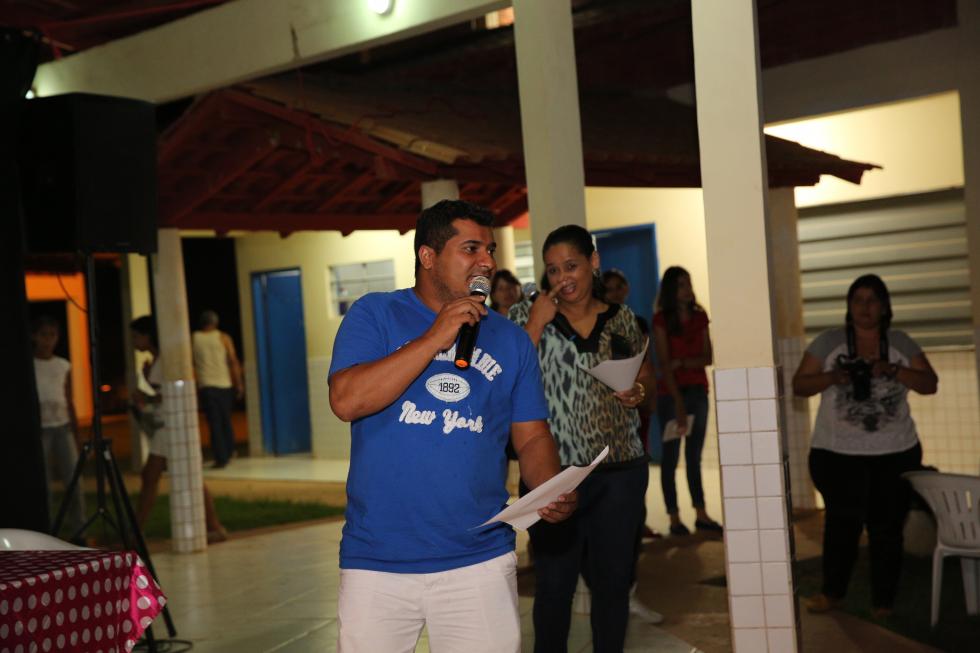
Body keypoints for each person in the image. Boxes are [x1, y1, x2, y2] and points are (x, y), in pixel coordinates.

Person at [327, 199, 576, 653]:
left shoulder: (511, 340)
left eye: (490, 250)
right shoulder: (375, 314)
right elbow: (346, 400)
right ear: (428, 256)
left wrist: (548, 489)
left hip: (479, 560)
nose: (487, 262)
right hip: (377, 560)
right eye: (471, 249)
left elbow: (532, 437)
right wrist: (434, 337)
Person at [510, 225, 655, 653]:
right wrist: (535, 324)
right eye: (553, 270)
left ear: (593, 262)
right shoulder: (523, 316)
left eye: (571, 266)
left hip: (620, 472)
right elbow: (503, 379)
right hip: (553, 475)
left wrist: (638, 392)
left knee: (612, 584)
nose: (562, 278)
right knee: (554, 586)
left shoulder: (622, 318)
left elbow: (645, 377)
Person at [792, 274, 937, 618]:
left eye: (872, 300)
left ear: (884, 306)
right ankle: (832, 593)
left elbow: (930, 383)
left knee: (887, 529)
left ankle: (883, 601)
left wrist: (894, 371)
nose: (865, 307)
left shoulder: (900, 342)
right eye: (858, 300)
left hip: (895, 452)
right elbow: (799, 385)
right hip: (837, 454)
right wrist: (833, 377)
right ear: (849, 305)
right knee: (841, 526)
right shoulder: (829, 342)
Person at [130, 315, 228, 544]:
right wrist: (148, 382)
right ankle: (213, 527)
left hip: (171, 427)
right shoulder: (157, 360)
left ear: (148, 336)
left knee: (154, 476)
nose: (133, 341)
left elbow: (170, 395)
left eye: (136, 336)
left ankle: (136, 531)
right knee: (165, 476)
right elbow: (161, 392)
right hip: (167, 426)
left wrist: (146, 395)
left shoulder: (166, 359)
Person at [653, 266, 722, 536]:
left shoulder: (699, 316)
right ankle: (674, 517)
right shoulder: (661, 320)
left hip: (697, 392)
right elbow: (664, 364)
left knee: (694, 456)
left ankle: (700, 513)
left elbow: (708, 357)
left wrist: (682, 362)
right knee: (670, 458)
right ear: (671, 289)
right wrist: (678, 404)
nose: (687, 289)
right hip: (671, 394)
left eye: (689, 283)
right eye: (681, 284)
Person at [31, 315, 85, 538]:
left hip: (63, 427)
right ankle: (46, 529)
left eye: (52, 335)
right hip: (41, 429)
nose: (48, 340)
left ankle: (79, 529)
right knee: (43, 483)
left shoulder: (63, 365)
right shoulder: (30, 365)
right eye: (43, 335)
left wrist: (76, 431)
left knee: (74, 479)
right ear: (34, 336)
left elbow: (69, 398)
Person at [192, 310, 244, 469]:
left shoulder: (195, 338)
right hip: (225, 384)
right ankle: (230, 450)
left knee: (214, 422)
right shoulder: (223, 338)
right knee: (225, 419)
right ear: (215, 323)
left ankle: (221, 457)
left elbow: (190, 362)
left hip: (206, 385)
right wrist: (239, 383)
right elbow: (233, 361)